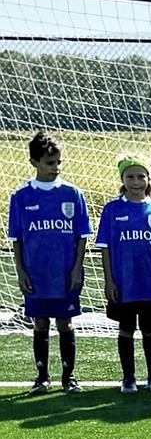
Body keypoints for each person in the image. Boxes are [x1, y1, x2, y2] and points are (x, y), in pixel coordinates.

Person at [9, 131, 92, 395]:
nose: (56, 168)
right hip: (36, 274)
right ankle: (42, 376)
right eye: (49, 163)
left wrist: (77, 269)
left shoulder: (72, 193)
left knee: (65, 323)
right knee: (40, 322)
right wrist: (20, 272)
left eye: (58, 162)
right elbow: (17, 239)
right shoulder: (21, 196)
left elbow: (82, 237)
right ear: (34, 162)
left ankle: (69, 377)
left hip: (65, 272)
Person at [96, 154, 151, 394]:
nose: (135, 181)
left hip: (150, 284)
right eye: (130, 176)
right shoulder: (112, 209)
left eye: (140, 176)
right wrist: (109, 280)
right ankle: (128, 378)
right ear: (122, 178)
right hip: (123, 284)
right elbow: (106, 248)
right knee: (126, 328)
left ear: (149, 178)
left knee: (150, 328)